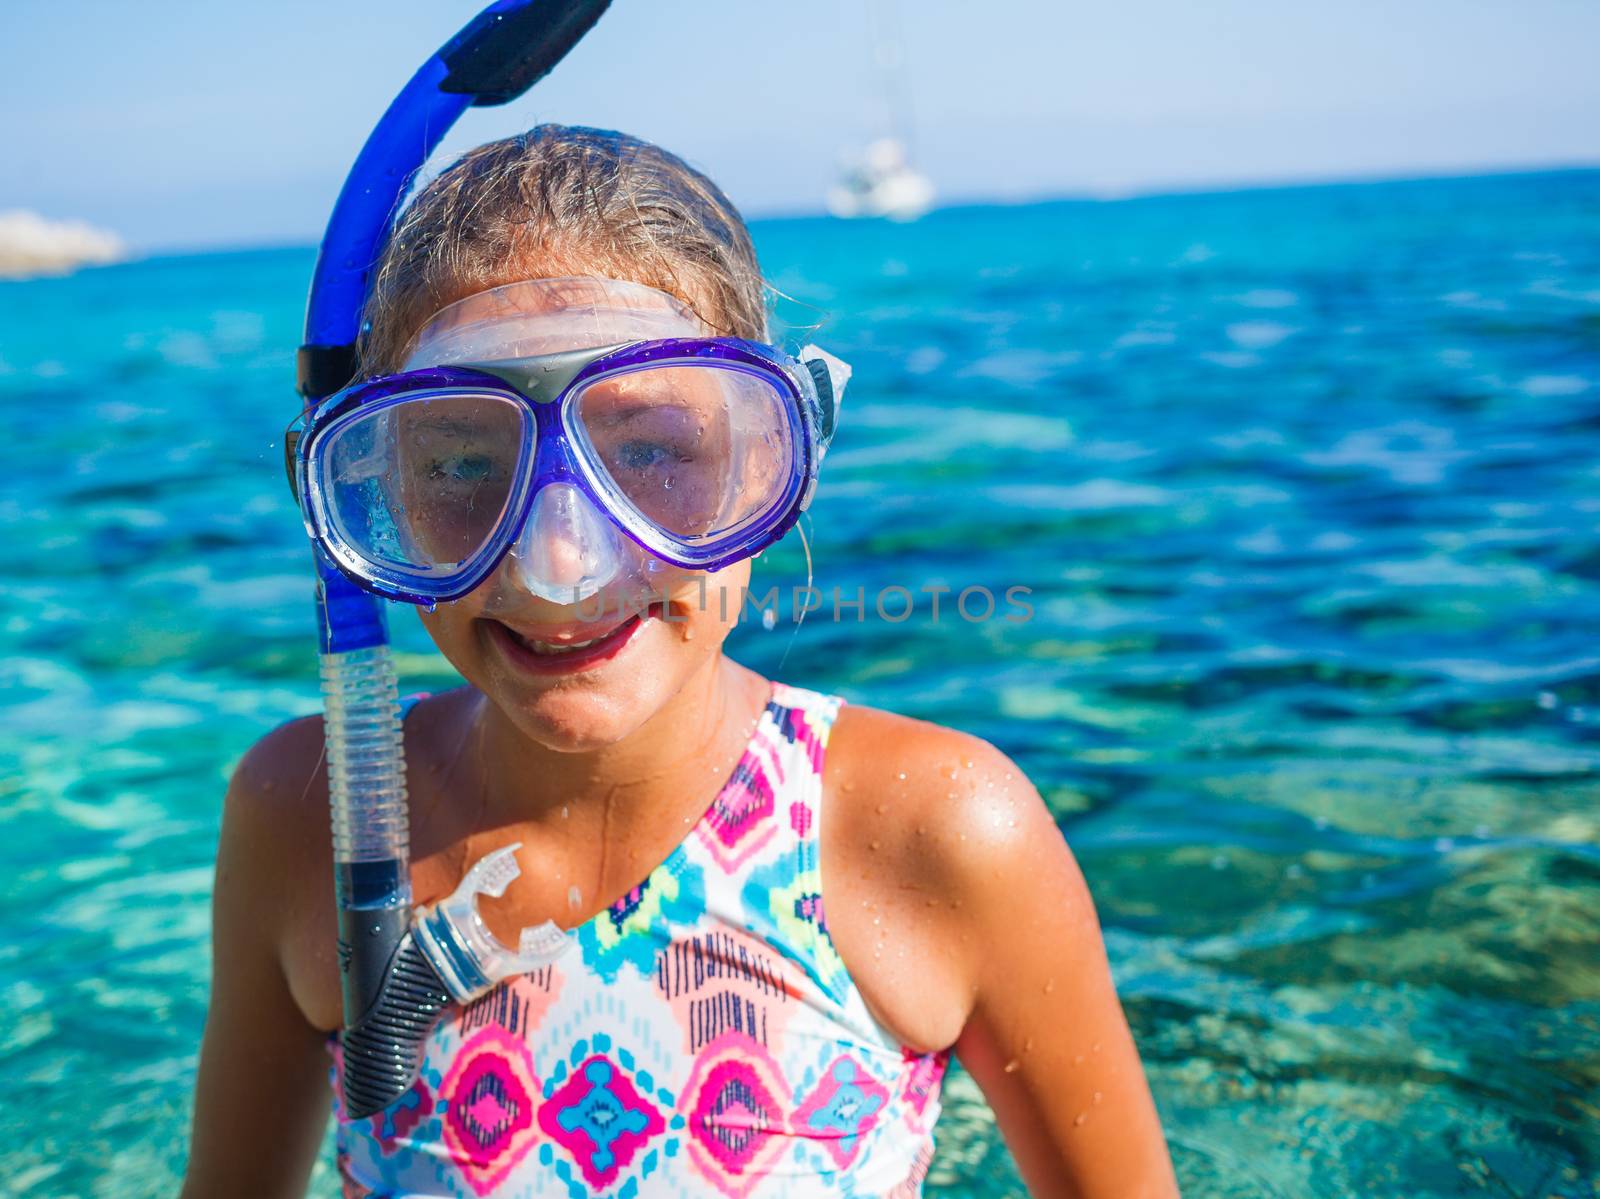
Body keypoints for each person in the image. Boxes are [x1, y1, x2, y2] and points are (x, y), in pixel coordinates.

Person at [183, 125, 1178, 1199]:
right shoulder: (309, 812)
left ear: (771, 457)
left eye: (652, 451)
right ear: (375, 492)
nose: (559, 563)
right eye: (465, 462)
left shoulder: (936, 828)